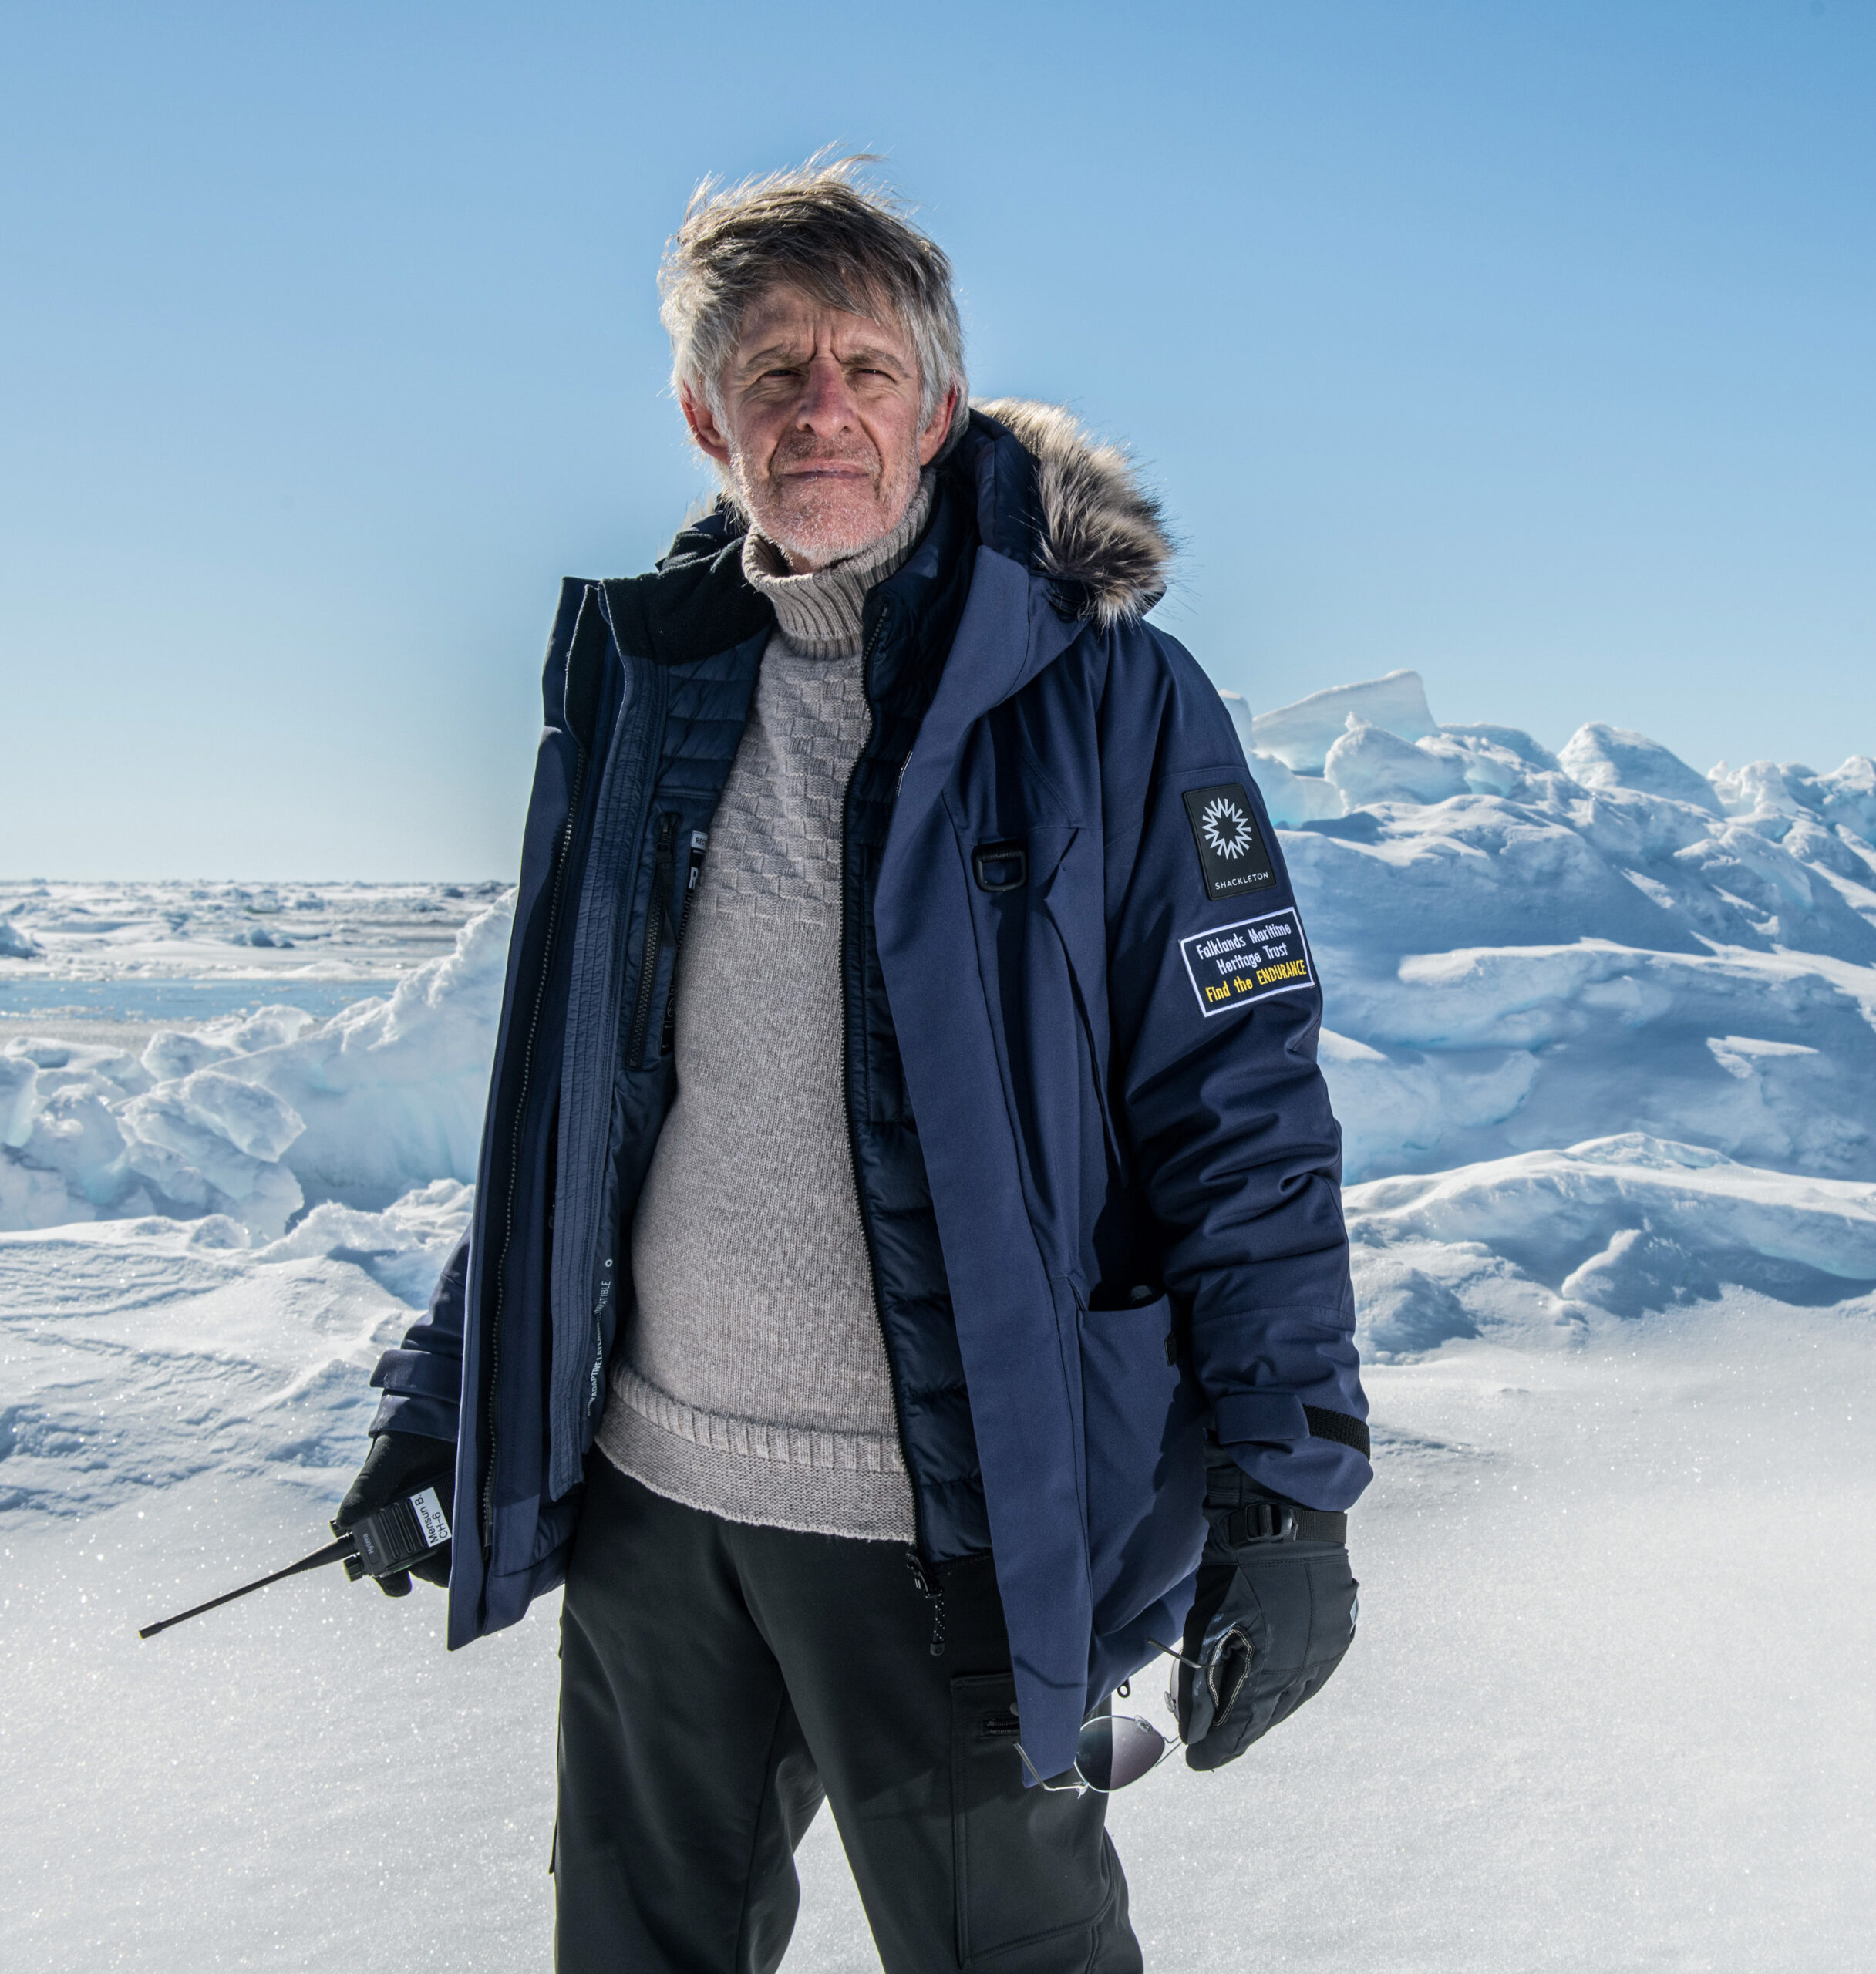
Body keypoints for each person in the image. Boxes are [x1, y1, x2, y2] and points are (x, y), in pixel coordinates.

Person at [338, 157, 1370, 1972]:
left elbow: (1241, 1112)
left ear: (938, 402)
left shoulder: (1109, 698)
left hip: (956, 1527)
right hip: (660, 1517)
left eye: (865, 367)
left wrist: (1286, 1491)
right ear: (701, 411)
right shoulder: (649, 692)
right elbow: (569, 1114)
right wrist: (447, 1393)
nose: (821, 407)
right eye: (772, 367)